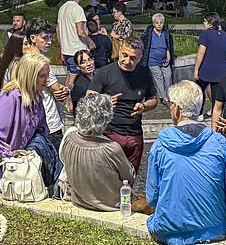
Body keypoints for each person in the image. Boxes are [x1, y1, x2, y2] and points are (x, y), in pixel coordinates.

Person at [146, 80, 226, 245]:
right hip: (214, 228)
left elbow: (152, 197)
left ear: (176, 108)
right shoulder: (219, 142)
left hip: (169, 230)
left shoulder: (161, 145)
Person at [0, 53, 62, 193]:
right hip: (4, 166)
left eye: (47, 75)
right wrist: (10, 154)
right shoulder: (11, 97)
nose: (47, 80)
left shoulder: (36, 96)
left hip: (21, 165)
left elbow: (40, 129)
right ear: (30, 76)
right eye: (42, 76)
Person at [88, 38, 157, 172]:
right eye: (124, 55)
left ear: (140, 58)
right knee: (108, 177)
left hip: (135, 134)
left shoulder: (144, 73)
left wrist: (144, 106)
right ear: (119, 50)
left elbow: (153, 99)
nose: (127, 61)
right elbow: (89, 97)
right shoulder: (104, 72)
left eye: (132, 58)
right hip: (110, 132)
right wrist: (105, 101)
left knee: (130, 176)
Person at [59, 93, 135, 211]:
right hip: (109, 205)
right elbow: (128, 177)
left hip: (79, 201)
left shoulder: (69, 138)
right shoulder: (111, 148)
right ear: (106, 119)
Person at [25, 17, 69, 151]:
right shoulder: (38, 62)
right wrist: (65, 90)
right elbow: (58, 90)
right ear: (33, 38)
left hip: (37, 120)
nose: (49, 42)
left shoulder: (26, 59)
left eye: (50, 38)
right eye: (45, 38)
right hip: (48, 121)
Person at [57, 0, 96, 93]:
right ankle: (69, 97)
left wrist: (61, 47)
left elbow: (58, 30)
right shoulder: (77, 9)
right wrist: (90, 41)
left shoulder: (62, 8)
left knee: (70, 74)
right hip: (77, 49)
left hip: (66, 49)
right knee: (74, 78)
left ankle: (66, 98)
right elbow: (80, 31)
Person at [194, 13, 226, 118]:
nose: (204, 23)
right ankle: (217, 115)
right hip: (220, 71)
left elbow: (201, 52)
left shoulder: (205, 35)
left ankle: (198, 113)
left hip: (206, 69)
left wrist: (196, 69)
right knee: (217, 96)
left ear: (210, 23)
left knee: (199, 93)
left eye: (205, 21)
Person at [141, 13, 174, 107]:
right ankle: (164, 97)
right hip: (153, 59)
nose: (159, 24)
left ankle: (169, 95)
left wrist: (168, 54)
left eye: (161, 22)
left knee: (168, 76)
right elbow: (143, 44)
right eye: (157, 23)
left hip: (164, 59)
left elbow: (169, 45)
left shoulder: (166, 33)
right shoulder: (149, 33)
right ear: (153, 24)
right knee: (158, 76)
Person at [0, 32, 25, 104]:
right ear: (19, 45)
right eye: (25, 43)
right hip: (12, 102)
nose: (29, 46)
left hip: (4, 99)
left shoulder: (6, 61)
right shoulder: (17, 64)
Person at [71, 49, 95, 115]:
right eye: (83, 62)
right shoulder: (80, 86)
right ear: (78, 67)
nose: (88, 64)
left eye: (90, 60)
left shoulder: (98, 76)